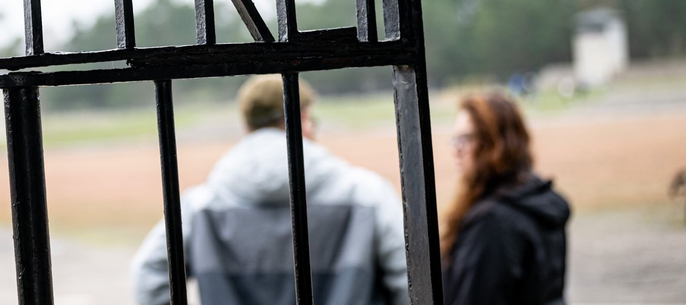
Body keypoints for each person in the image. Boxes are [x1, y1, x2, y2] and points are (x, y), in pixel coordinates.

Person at [131, 74, 410, 305]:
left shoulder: (199, 206)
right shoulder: (366, 194)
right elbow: (409, 275)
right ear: (302, 119)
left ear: (246, 125)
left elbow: (149, 274)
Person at [442, 92, 571, 305]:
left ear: (495, 144)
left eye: (465, 139)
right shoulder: (535, 198)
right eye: (454, 139)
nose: (456, 150)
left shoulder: (492, 221)